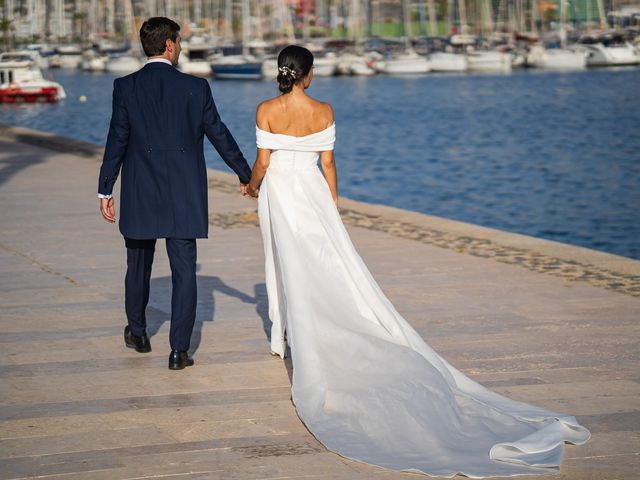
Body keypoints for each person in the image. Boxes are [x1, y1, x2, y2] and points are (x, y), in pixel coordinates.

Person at [245, 45, 590, 477]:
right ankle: (303, 328)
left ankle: (284, 338)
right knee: (324, 264)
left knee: (283, 259)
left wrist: (251, 186)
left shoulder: (265, 109)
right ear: (308, 74)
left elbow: (262, 162)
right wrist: (331, 202)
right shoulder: (325, 109)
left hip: (280, 191)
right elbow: (329, 164)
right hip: (312, 194)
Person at [97, 17, 251, 370]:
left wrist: (105, 188)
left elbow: (117, 140)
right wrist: (245, 174)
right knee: (185, 271)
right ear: (169, 44)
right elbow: (220, 135)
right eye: (179, 42)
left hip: (140, 190)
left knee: (137, 265)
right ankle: (179, 351)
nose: (180, 47)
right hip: (184, 193)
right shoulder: (196, 88)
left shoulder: (125, 87)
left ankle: (138, 333)